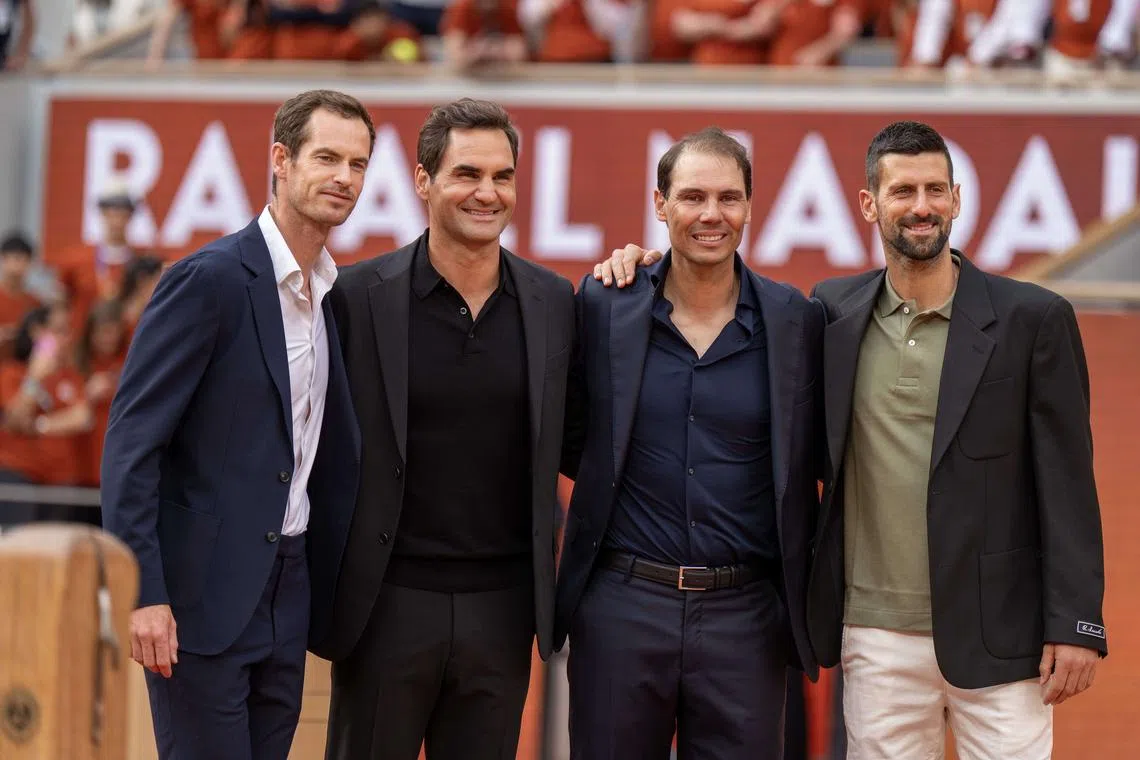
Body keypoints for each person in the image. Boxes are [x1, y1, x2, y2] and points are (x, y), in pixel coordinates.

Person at [320, 97, 650, 760]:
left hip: (502, 610)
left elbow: (590, 447)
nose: (487, 193)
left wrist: (648, 284)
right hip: (385, 605)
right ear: (423, 181)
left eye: (502, 177)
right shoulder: (356, 298)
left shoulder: (555, 303)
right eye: (467, 174)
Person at [806, 120, 1106, 759]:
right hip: (876, 633)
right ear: (868, 203)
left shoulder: (1033, 318)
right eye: (903, 190)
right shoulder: (830, 312)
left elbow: (1068, 482)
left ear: (957, 198)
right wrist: (644, 265)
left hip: (1005, 633)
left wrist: (1078, 622)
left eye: (936, 190)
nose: (922, 207)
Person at [100, 89, 370, 760]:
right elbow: (132, 445)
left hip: (290, 590)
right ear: (281, 159)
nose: (344, 177)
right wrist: (142, 593)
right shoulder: (209, 280)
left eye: (358, 164)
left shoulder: (333, 298)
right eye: (327, 157)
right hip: (200, 598)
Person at [556, 127, 823, 760]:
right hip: (624, 607)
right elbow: (574, 439)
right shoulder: (604, 304)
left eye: (729, 198)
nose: (711, 215)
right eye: (693, 197)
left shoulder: (794, 321)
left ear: (751, 207)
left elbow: (814, 457)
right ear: (660, 204)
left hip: (746, 619)